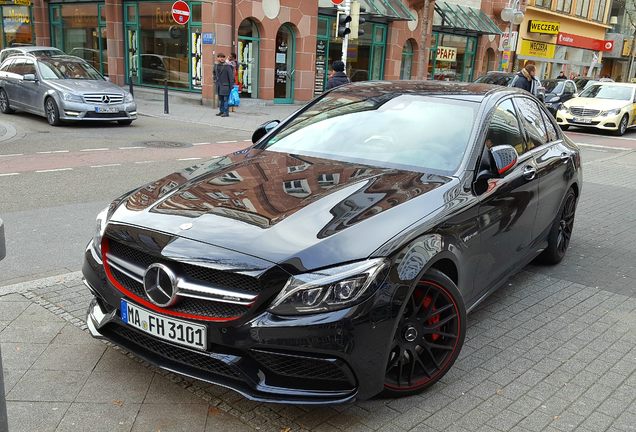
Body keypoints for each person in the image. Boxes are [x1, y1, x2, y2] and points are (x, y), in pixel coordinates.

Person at [214, 53, 234, 117]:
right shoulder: (216, 65)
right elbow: (214, 73)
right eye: (220, 57)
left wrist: (231, 86)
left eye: (223, 57)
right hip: (219, 86)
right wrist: (215, 80)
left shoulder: (227, 66)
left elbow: (231, 77)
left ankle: (226, 112)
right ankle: (221, 111)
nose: (221, 58)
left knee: (225, 100)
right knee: (221, 100)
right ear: (217, 58)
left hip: (226, 86)